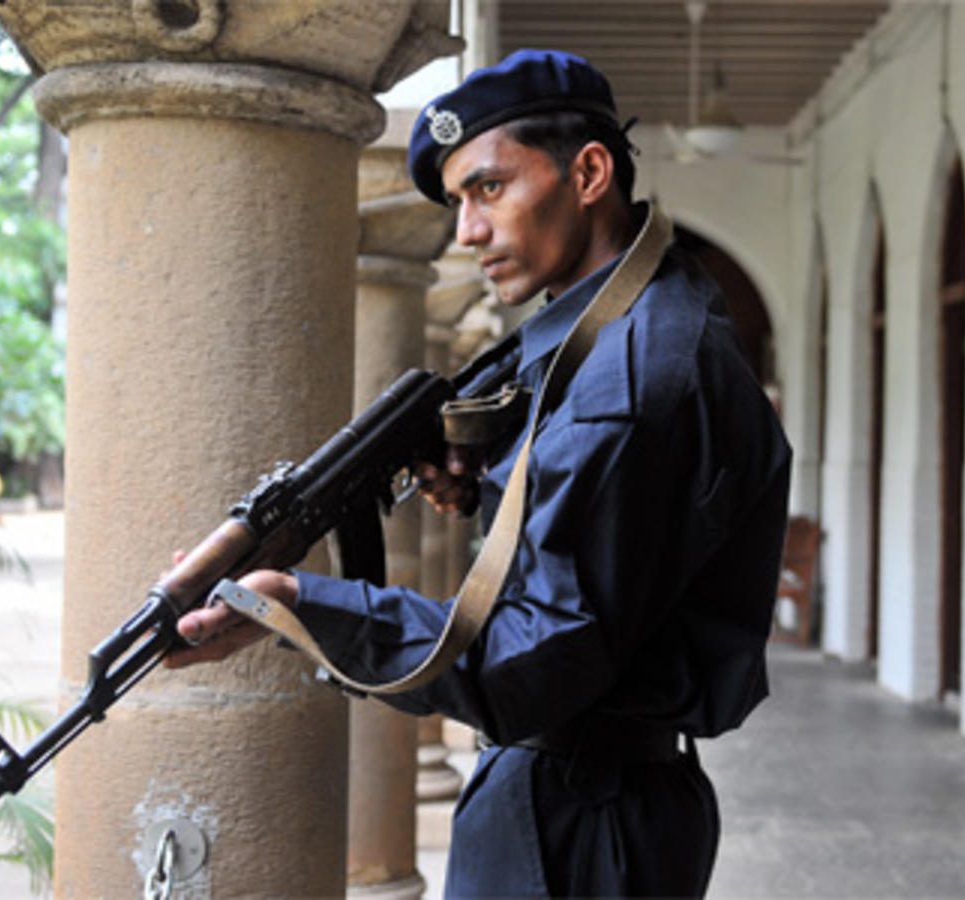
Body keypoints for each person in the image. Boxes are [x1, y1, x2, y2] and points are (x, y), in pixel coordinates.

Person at [167, 49, 792, 897]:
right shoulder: (640, 320)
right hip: (596, 799)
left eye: (489, 188)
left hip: (575, 822)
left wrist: (307, 605)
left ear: (590, 172)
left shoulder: (631, 376)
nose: (467, 231)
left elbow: (533, 665)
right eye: (459, 200)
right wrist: (500, 475)